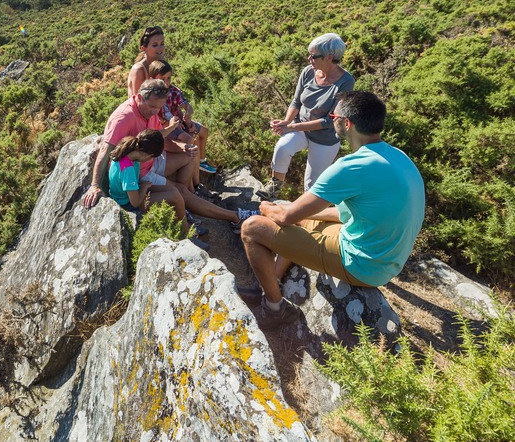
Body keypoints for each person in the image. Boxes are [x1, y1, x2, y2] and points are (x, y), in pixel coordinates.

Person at [240, 91, 425, 329]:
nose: (331, 118)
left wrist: (267, 207)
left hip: (362, 265)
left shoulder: (351, 166)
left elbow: (285, 217)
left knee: (252, 228)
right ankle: (274, 279)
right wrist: (294, 212)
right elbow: (343, 214)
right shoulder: (397, 156)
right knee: (296, 214)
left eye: (333, 115)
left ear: (346, 124)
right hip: (386, 258)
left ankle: (274, 308)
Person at [107, 129, 258, 240]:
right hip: (128, 203)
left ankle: (187, 223)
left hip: (129, 194)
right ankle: (186, 235)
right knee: (175, 196)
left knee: (177, 192)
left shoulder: (129, 150)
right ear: (147, 155)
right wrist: (145, 187)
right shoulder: (128, 169)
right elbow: (135, 201)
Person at [259, 33, 354, 199]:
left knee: (311, 185)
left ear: (330, 57)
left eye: (313, 56)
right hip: (301, 126)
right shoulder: (309, 72)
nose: (309, 59)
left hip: (325, 138)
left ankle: (307, 215)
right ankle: (274, 186)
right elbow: (296, 102)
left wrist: (291, 127)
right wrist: (286, 122)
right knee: (283, 147)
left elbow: (328, 121)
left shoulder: (345, 81)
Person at [82, 78, 191, 208]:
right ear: (139, 97)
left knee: (190, 157)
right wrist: (95, 185)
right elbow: (105, 150)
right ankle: (189, 214)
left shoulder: (150, 111)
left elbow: (156, 136)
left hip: (149, 160)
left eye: (159, 107)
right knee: (179, 191)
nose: (155, 111)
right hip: (138, 171)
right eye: (151, 106)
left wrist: (181, 143)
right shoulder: (123, 118)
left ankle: (188, 203)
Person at [148, 59, 216, 187]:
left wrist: (188, 113)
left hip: (177, 123)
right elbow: (156, 119)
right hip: (167, 128)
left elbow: (186, 105)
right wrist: (169, 123)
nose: (166, 82)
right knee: (190, 141)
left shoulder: (172, 91)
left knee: (200, 132)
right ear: (152, 79)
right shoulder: (151, 96)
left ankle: (200, 163)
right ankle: (195, 183)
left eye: (169, 78)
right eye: (162, 79)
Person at [127, 26, 165, 96]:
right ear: (143, 48)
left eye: (162, 44)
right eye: (155, 45)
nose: (160, 48)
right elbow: (138, 101)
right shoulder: (139, 70)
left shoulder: (161, 66)